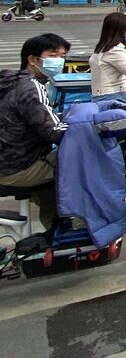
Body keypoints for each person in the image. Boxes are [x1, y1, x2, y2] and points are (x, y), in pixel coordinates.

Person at [0, 34, 71, 231]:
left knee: (54, 163)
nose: (59, 61)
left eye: (62, 56)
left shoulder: (9, 81)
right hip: (18, 167)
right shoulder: (31, 87)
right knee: (79, 162)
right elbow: (54, 132)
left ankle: (55, 225)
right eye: (53, 55)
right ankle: (72, 226)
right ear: (32, 60)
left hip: (7, 161)